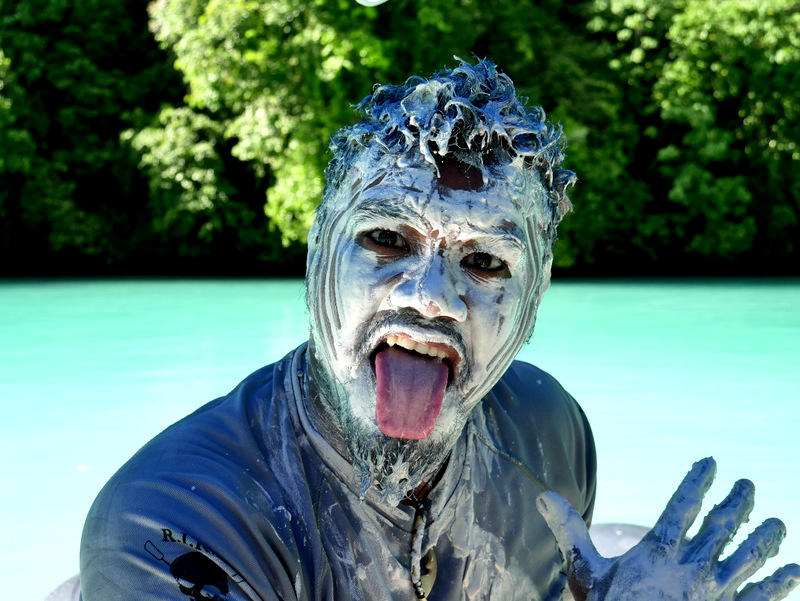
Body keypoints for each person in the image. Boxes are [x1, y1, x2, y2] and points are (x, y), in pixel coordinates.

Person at [76, 59, 798, 601]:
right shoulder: (172, 524)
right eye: (387, 240)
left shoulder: (550, 435)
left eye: (485, 261)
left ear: (533, 301)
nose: (431, 298)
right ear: (315, 253)